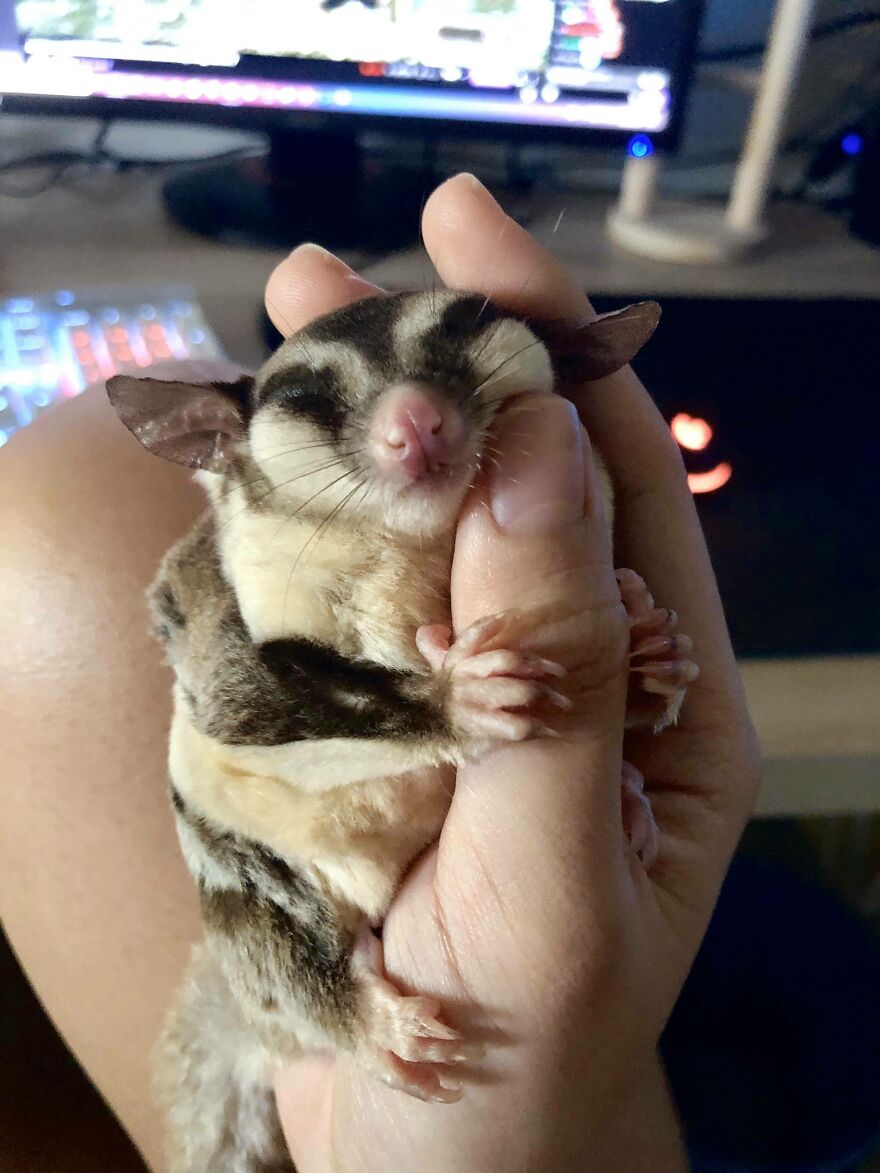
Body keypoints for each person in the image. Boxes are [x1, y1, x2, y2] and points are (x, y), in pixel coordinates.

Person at [0, 173, 761, 1171]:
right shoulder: (249, 561)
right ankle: (336, 1015)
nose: (415, 421)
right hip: (304, 843)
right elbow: (246, 701)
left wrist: (635, 665)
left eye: (453, 368)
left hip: (467, 846)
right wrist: (441, 703)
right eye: (324, 405)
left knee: (73, 484)